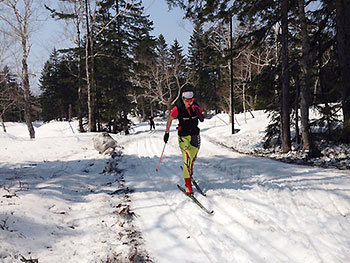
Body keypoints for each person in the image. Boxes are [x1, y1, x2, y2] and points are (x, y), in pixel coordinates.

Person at [163, 89, 204, 195]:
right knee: (187, 159)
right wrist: (167, 133)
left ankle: (189, 169)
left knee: (192, 159)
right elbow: (170, 119)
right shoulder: (178, 108)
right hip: (183, 136)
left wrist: (197, 111)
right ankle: (188, 186)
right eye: (187, 100)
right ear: (183, 99)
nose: (189, 102)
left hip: (195, 135)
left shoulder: (195, 106)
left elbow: (202, 118)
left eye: (191, 100)